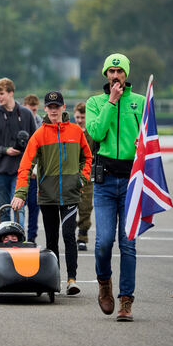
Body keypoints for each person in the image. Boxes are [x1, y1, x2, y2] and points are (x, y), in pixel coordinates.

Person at [11, 91, 92, 296]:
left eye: (57, 106)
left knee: (68, 236)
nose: (54, 110)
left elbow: (88, 158)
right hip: (47, 195)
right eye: (50, 107)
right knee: (52, 239)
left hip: (71, 194)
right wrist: (20, 193)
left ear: (63, 108)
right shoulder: (39, 134)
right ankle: (53, 278)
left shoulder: (76, 131)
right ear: (45, 109)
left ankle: (71, 279)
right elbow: (26, 165)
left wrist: (80, 180)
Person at [86, 53, 145, 321]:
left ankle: (126, 300)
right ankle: (104, 283)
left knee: (128, 244)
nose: (115, 76)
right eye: (111, 71)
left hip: (132, 182)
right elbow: (96, 133)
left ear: (126, 74)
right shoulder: (95, 103)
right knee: (104, 242)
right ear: (105, 75)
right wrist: (111, 102)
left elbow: (152, 139)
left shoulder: (140, 103)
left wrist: (141, 146)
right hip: (106, 181)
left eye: (119, 72)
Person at [0, 78, 36, 226]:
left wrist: (34, 165)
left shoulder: (26, 114)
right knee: (4, 209)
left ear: (11, 93)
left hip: (21, 170)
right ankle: (6, 239)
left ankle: (19, 237)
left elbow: (35, 142)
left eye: (1, 93)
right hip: (0, 169)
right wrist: (5, 150)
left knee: (19, 207)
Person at [72, 102, 94, 251]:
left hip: (87, 176)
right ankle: (70, 235)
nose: (80, 120)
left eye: (83, 117)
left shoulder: (92, 133)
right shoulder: (71, 131)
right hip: (71, 175)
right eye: (78, 117)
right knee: (70, 207)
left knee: (85, 207)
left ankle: (82, 237)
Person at [23, 94, 42, 242]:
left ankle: (32, 236)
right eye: (30, 110)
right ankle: (19, 234)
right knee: (20, 206)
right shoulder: (20, 122)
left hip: (36, 173)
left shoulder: (41, 124)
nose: (33, 114)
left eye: (35, 110)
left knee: (35, 208)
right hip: (23, 171)